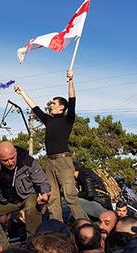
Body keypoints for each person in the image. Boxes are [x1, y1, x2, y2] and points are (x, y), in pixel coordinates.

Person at [15, 70, 86, 221]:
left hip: (64, 162)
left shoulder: (68, 119)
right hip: (49, 162)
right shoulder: (48, 120)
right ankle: (57, 228)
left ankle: (83, 226)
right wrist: (22, 93)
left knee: (70, 196)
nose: (51, 105)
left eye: (54, 103)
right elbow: (35, 107)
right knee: (53, 199)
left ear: (61, 107)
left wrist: (71, 81)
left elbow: (72, 100)